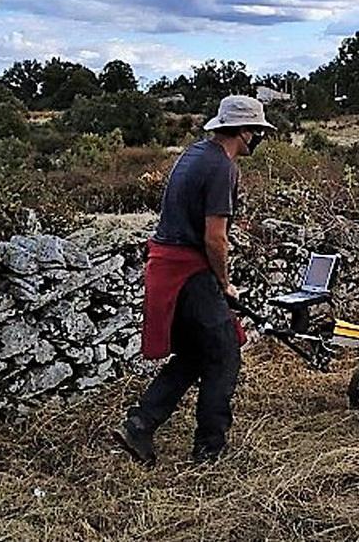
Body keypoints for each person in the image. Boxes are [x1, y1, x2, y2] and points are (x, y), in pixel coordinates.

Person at [114, 95, 274, 466]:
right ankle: (209, 450)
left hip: (167, 267)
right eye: (258, 131)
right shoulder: (222, 167)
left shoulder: (194, 154)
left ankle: (140, 424)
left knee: (192, 354)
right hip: (190, 270)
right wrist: (224, 284)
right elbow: (215, 237)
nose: (259, 138)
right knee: (224, 354)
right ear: (245, 132)